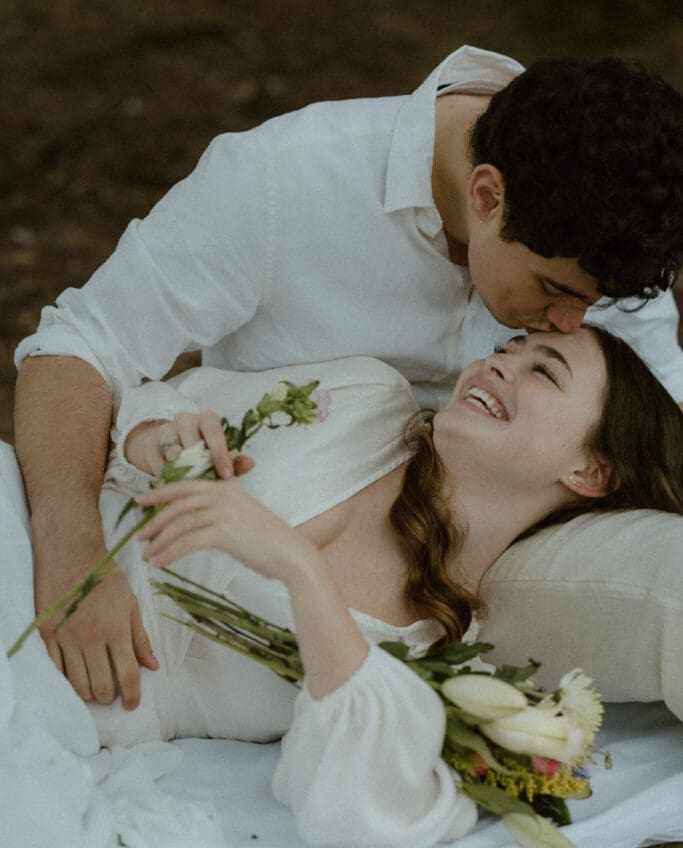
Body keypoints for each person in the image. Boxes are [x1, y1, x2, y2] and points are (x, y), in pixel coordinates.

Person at [13, 45, 683, 712]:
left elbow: (662, 430)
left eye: (593, 306)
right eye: (552, 290)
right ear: (487, 194)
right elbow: (80, 346)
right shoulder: (280, 179)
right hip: (236, 517)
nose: (567, 324)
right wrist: (75, 557)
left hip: (454, 586)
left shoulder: (605, 235)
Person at [79, 325, 682, 847]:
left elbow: (351, 805)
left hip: (81, 701)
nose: (499, 362)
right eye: (509, 347)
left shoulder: (441, 655)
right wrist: (160, 444)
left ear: (591, 471)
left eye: (543, 373)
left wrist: (300, 570)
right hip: (45, 540)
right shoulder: (366, 398)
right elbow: (143, 407)